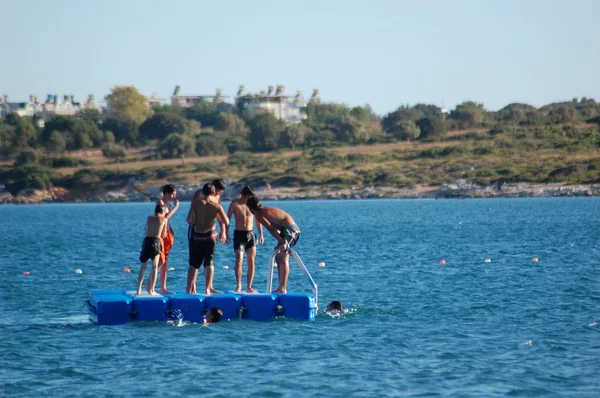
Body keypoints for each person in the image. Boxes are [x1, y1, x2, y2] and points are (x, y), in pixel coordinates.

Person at [246, 195, 300, 294]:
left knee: (282, 257)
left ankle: (283, 288)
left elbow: (271, 228)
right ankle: (281, 287)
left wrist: (282, 242)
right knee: (278, 257)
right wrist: (281, 241)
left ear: (250, 208)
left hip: (290, 230)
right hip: (287, 230)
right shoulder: (262, 211)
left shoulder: (259, 214)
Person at [186, 183, 229, 295]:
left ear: (203, 192)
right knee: (209, 262)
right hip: (210, 236)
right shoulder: (216, 206)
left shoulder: (196, 203)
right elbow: (226, 221)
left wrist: (196, 223)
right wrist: (214, 218)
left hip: (197, 236)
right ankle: (207, 288)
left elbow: (189, 219)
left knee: (193, 264)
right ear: (213, 192)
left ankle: (188, 289)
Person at [226, 186, 264, 293]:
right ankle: (239, 285)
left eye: (251, 196)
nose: (249, 198)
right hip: (239, 235)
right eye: (247, 196)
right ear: (243, 195)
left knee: (251, 261)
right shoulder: (235, 204)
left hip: (251, 234)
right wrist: (225, 233)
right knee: (239, 260)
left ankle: (249, 286)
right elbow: (227, 219)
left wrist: (261, 234)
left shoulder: (252, 204)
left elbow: (258, 219)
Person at [136, 204, 168, 296]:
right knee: (154, 267)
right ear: (162, 212)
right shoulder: (164, 220)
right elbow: (164, 235)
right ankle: (151, 290)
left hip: (147, 240)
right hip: (156, 241)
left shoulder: (149, 218)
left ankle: (138, 290)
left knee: (143, 266)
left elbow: (146, 229)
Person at [156, 184, 180, 294]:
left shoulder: (169, 205)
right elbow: (165, 217)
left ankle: (163, 287)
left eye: (174, 194)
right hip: (160, 235)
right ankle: (149, 284)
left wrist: (171, 232)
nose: (174, 196)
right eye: (172, 194)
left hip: (168, 234)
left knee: (165, 261)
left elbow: (168, 222)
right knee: (160, 261)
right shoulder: (160, 203)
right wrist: (176, 207)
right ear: (166, 193)